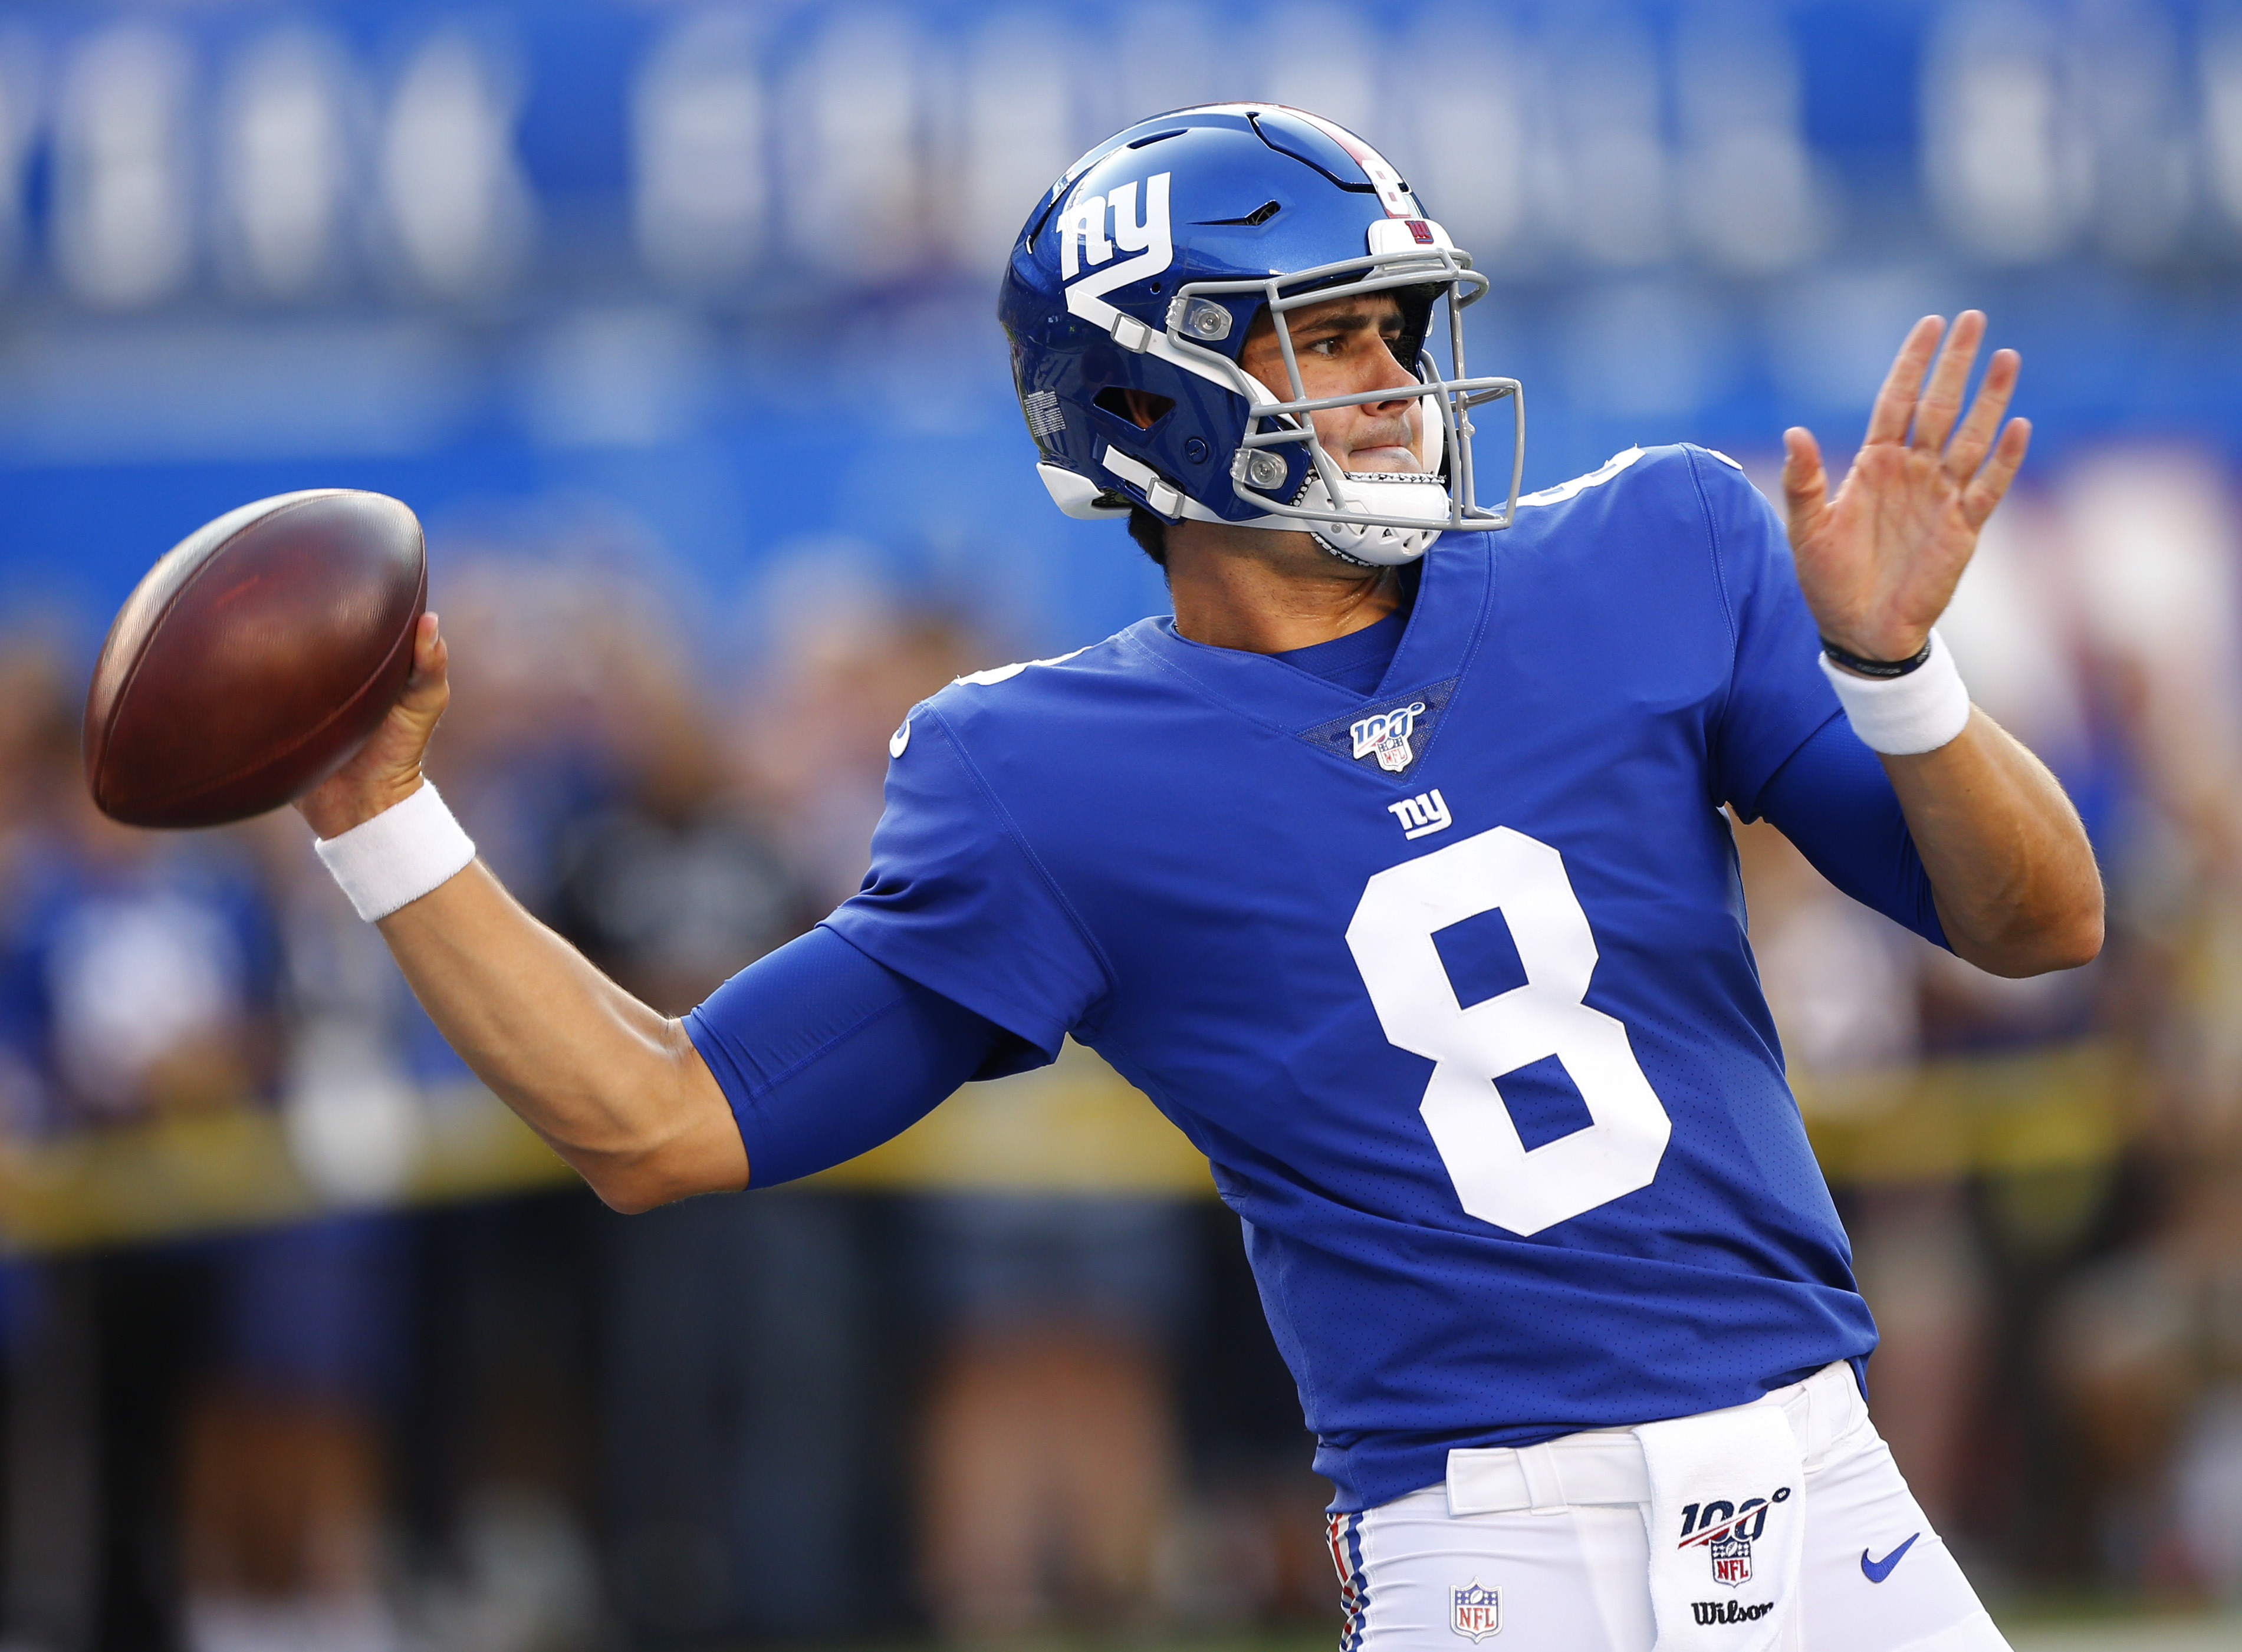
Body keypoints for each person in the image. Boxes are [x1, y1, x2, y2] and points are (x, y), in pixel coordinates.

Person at [289, 106, 2100, 1651]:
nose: (1396, 384)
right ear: (1145, 402)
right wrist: (382, 818)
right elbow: (656, 1116)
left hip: (1825, 1477)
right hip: (1497, 1554)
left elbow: (2042, 926)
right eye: (1328, 338)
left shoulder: (1658, 547)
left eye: (1400, 330)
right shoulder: (1043, 777)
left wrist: (1901, 677)